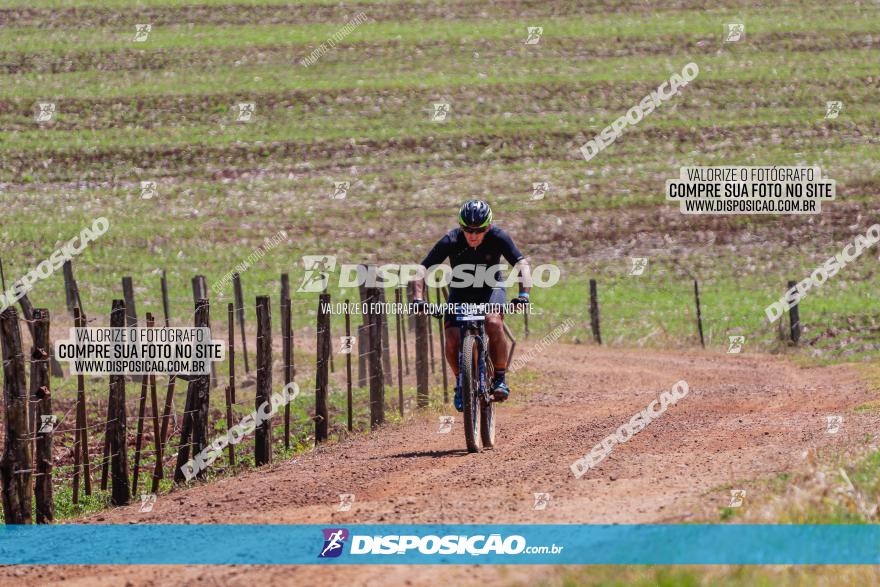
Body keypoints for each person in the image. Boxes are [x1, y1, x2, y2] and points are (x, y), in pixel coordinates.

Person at [411, 199, 531, 412]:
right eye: (467, 229)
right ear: (460, 226)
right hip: (461, 291)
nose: (473, 235)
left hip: (491, 288)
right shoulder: (451, 239)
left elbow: (522, 264)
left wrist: (523, 294)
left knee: (493, 322)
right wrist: (418, 298)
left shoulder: (498, 237)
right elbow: (422, 269)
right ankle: (461, 384)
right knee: (452, 338)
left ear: (489, 227)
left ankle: (500, 379)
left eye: (479, 230)